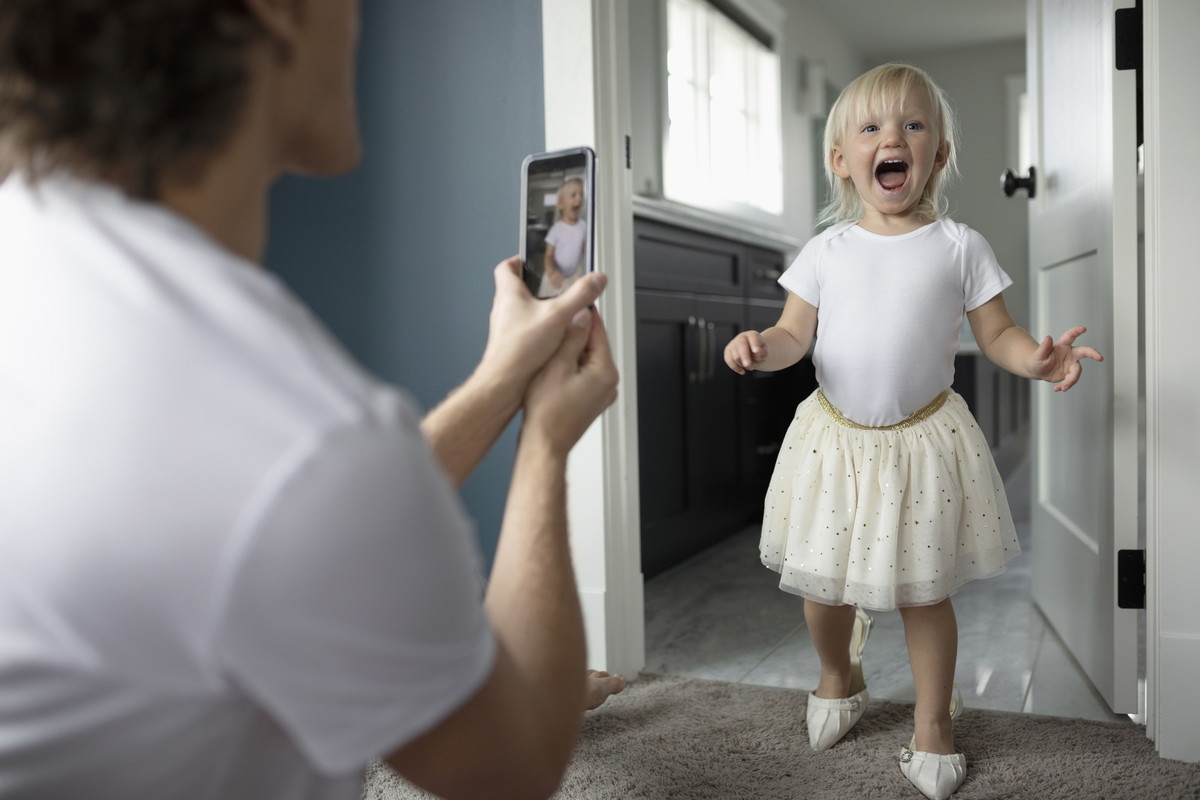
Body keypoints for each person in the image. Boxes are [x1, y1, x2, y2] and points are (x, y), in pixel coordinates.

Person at [0, 2, 620, 799]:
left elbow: (271, 520)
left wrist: (501, 377)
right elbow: (514, 760)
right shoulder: (298, 434)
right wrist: (545, 439)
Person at [722, 63, 1102, 800]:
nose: (891, 139)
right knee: (823, 587)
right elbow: (793, 334)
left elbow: (999, 335)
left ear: (938, 155)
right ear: (842, 160)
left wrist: (1037, 358)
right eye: (870, 129)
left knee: (925, 593)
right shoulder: (826, 250)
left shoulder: (960, 247)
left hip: (923, 445)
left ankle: (933, 722)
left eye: (912, 126)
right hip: (834, 444)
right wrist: (760, 349)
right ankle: (840, 672)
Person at [540, 176, 588, 296]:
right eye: (573, 195)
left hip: (573, 276)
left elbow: (583, 247)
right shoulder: (557, 229)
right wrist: (551, 274)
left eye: (581, 194)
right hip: (556, 275)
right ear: (561, 204)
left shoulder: (583, 226)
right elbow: (549, 255)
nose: (579, 198)